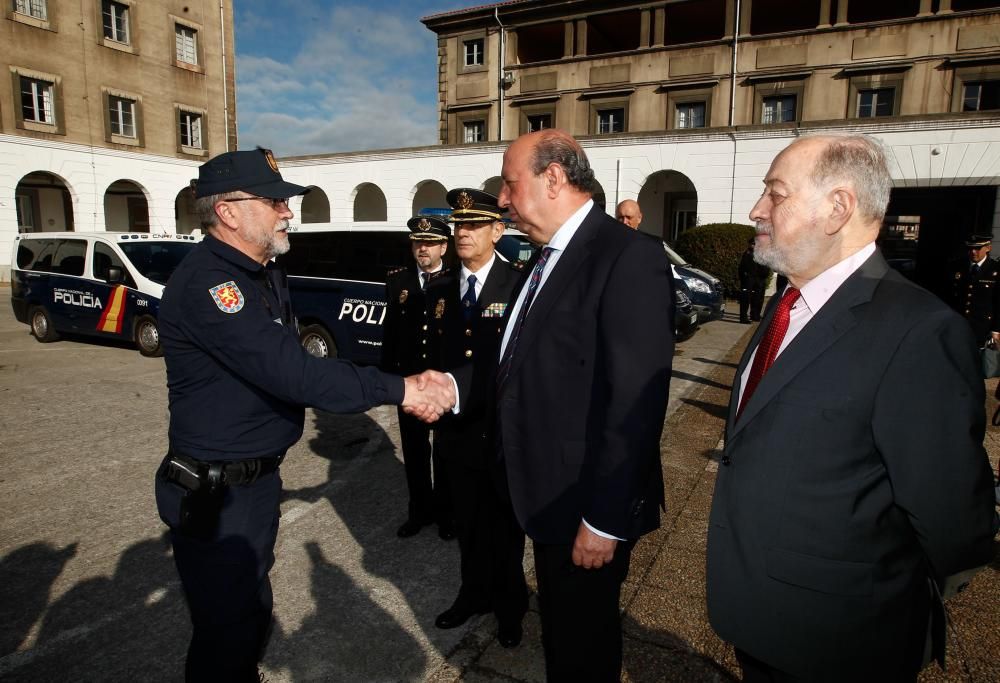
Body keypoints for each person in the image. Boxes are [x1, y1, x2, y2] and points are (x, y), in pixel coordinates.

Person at [154, 148, 455, 682]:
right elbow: (296, 374)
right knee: (225, 632)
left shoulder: (263, 273)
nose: (287, 211)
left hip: (254, 482)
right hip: (217, 493)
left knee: (250, 613)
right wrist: (404, 387)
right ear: (228, 211)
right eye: (274, 201)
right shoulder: (212, 286)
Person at [706, 135, 996, 682]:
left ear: (838, 208)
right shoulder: (787, 303)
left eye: (775, 193)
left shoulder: (919, 332)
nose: (755, 210)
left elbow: (954, 515)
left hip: (842, 637)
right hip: (761, 615)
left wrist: (890, 590)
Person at [487, 130, 674, 679]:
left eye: (509, 182)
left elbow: (636, 403)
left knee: (582, 647)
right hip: (542, 491)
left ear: (553, 178)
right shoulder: (542, 258)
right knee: (562, 638)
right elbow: (521, 361)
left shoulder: (627, 256)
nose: (501, 198)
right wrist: (451, 385)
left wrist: (606, 519)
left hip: (585, 504)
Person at [425, 188, 528, 647]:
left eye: (473, 225)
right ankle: (473, 595)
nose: (461, 233)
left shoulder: (520, 283)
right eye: (457, 225)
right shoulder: (443, 286)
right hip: (457, 434)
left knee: (504, 531)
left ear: (497, 230)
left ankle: (510, 610)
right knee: (467, 524)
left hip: (502, 436)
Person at [381, 215, 456, 540]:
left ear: (443, 246)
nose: (422, 248)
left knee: (443, 451)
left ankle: (446, 514)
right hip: (409, 384)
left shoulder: (456, 280)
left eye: (429, 243)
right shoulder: (398, 280)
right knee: (413, 451)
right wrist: (389, 381)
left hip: (440, 384)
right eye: (417, 242)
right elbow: (391, 335)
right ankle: (419, 511)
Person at [947, 234, 1000, 346]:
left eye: (978, 248)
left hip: (983, 328)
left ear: (988, 248)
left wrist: (996, 330)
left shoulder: (996, 269)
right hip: (957, 326)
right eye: (970, 248)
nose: (973, 252)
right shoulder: (956, 266)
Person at [738, 237, 770, 323]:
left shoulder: (760, 254)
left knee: (757, 299)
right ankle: (743, 318)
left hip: (758, 279)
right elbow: (742, 268)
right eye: (752, 244)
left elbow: (763, 267)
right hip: (748, 279)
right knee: (745, 299)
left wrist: (762, 276)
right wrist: (745, 278)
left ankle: (754, 315)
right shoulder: (748, 254)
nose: (754, 246)